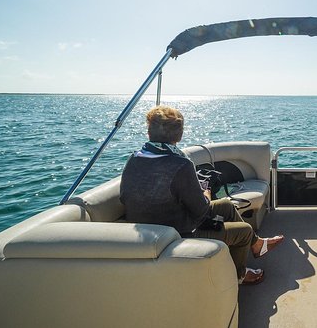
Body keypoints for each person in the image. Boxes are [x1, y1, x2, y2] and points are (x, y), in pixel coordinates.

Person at [120, 105, 284, 285]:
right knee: (244, 231)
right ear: (179, 135)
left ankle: (257, 245)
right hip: (176, 234)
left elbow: (124, 197)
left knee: (227, 206)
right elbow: (201, 211)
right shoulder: (180, 164)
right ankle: (239, 276)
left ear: (149, 132)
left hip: (149, 229)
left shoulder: (134, 158)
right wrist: (205, 190)